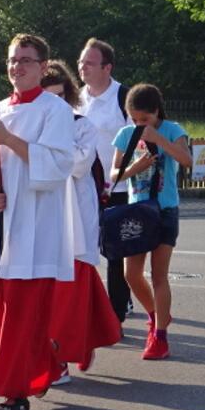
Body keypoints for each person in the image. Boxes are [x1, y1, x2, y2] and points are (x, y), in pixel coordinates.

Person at [0, 33, 75, 410]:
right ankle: (45, 360)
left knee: (18, 316)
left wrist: (10, 141)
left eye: (26, 60)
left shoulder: (54, 110)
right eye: (12, 60)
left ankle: (14, 391)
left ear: (43, 68)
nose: (16, 67)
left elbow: (59, 165)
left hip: (33, 227)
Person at [41, 60, 122, 382]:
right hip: (42, 222)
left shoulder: (82, 126)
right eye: (48, 97)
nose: (55, 104)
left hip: (75, 224)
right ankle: (80, 343)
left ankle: (62, 356)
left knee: (69, 296)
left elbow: (75, 164)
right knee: (51, 298)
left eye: (60, 96)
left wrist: (39, 150)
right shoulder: (30, 127)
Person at [111, 83, 193, 361]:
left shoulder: (172, 129)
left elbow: (186, 160)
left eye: (143, 119)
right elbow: (115, 174)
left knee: (159, 275)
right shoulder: (125, 135)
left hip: (165, 209)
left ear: (156, 112)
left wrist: (158, 138)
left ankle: (159, 337)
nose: (138, 125)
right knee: (131, 274)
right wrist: (136, 168)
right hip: (136, 211)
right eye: (134, 119)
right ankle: (157, 314)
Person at [77, 38, 133, 325]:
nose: (82, 67)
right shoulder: (76, 98)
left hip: (120, 187)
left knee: (115, 253)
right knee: (89, 248)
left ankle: (115, 315)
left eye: (89, 63)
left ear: (107, 68)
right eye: (80, 62)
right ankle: (98, 306)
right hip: (84, 187)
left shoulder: (123, 97)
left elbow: (140, 140)